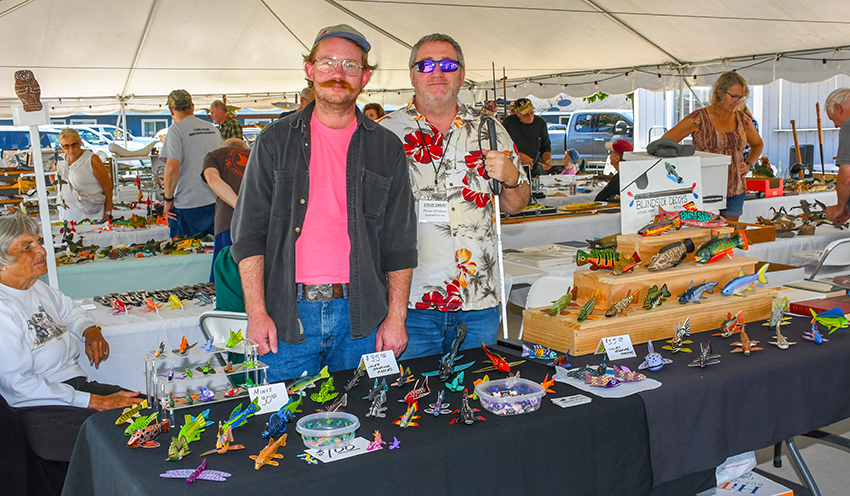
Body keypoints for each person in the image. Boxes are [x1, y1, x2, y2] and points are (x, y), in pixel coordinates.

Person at [231, 24, 417, 383]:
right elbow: (248, 236)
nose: (338, 73)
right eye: (328, 62)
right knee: (283, 416)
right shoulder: (274, 141)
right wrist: (256, 313)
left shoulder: (386, 147)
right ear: (310, 69)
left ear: (365, 77)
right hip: (287, 318)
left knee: (365, 414)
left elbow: (400, 244)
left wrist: (396, 317)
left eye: (350, 65)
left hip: (363, 318)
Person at [380, 33, 529, 359]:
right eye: (426, 65)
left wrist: (513, 178)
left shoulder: (490, 129)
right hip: (410, 304)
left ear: (462, 74)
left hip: (479, 300)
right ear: (412, 75)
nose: (437, 72)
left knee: (477, 387)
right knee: (412, 389)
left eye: (448, 65)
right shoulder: (385, 134)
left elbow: (516, 205)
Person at [0, 216, 143, 465]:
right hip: (38, 406)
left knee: (149, 409)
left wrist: (90, 330)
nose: (41, 250)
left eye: (39, 241)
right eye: (27, 246)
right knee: (123, 436)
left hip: (74, 389)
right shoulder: (4, 309)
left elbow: (71, 312)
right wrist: (95, 402)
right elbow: (19, 385)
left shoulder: (37, 288)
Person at [662, 71, 763, 221]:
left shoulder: (742, 119)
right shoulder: (699, 118)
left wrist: (749, 164)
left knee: (729, 232)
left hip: (735, 187)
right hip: (704, 187)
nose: (738, 101)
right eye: (734, 96)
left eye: (741, 97)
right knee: (704, 230)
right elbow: (665, 142)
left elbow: (758, 144)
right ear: (720, 93)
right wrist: (684, 163)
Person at [161, 89, 221, 238]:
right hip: (214, 199)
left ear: (171, 110)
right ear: (192, 107)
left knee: (186, 249)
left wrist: (168, 199)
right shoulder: (212, 128)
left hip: (187, 203)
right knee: (213, 248)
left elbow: (172, 168)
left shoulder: (176, 130)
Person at [202, 138, 250, 281]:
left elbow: (212, 178)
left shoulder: (215, 155)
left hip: (228, 221)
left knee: (224, 276)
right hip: (261, 222)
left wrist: (239, 208)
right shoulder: (258, 154)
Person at [56, 128, 113, 223]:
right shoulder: (61, 160)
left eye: (74, 145)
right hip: (67, 215)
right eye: (66, 146)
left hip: (91, 214)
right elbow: (54, 175)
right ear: (61, 146)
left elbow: (108, 188)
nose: (71, 149)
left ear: (80, 142)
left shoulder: (92, 159)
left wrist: (108, 212)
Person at [502, 97, 552, 176]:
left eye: (531, 112)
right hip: (513, 169)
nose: (530, 116)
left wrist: (547, 159)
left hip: (534, 169)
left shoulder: (540, 123)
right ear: (517, 113)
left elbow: (545, 146)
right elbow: (503, 146)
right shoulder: (508, 123)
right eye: (526, 114)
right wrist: (519, 156)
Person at [824, 88, 850, 224]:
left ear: (838, 108)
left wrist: (840, 207)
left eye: (832, 119)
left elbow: (847, 175)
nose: (835, 125)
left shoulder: (848, 125)